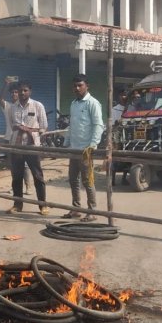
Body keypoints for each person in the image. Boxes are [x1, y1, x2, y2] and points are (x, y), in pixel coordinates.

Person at [63, 75, 104, 221]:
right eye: (75, 86)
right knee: (73, 180)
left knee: (88, 181)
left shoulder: (93, 103)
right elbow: (71, 125)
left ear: (87, 86)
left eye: (80, 85)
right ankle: (76, 209)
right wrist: (66, 142)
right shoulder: (74, 104)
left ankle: (92, 211)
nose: (77, 88)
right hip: (74, 149)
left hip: (86, 150)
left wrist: (93, 145)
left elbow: (98, 125)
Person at [6, 81, 49, 215]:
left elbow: (44, 126)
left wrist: (32, 132)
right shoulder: (12, 107)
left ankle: (42, 205)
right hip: (17, 145)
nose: (22, 93)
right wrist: (20, 128)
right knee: (17, 177)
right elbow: (12, 125)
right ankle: (17, 204)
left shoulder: (37, 106)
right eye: (20, 91)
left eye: (25, 90)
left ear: (30, 91)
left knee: (38, 176)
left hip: (32, 146)